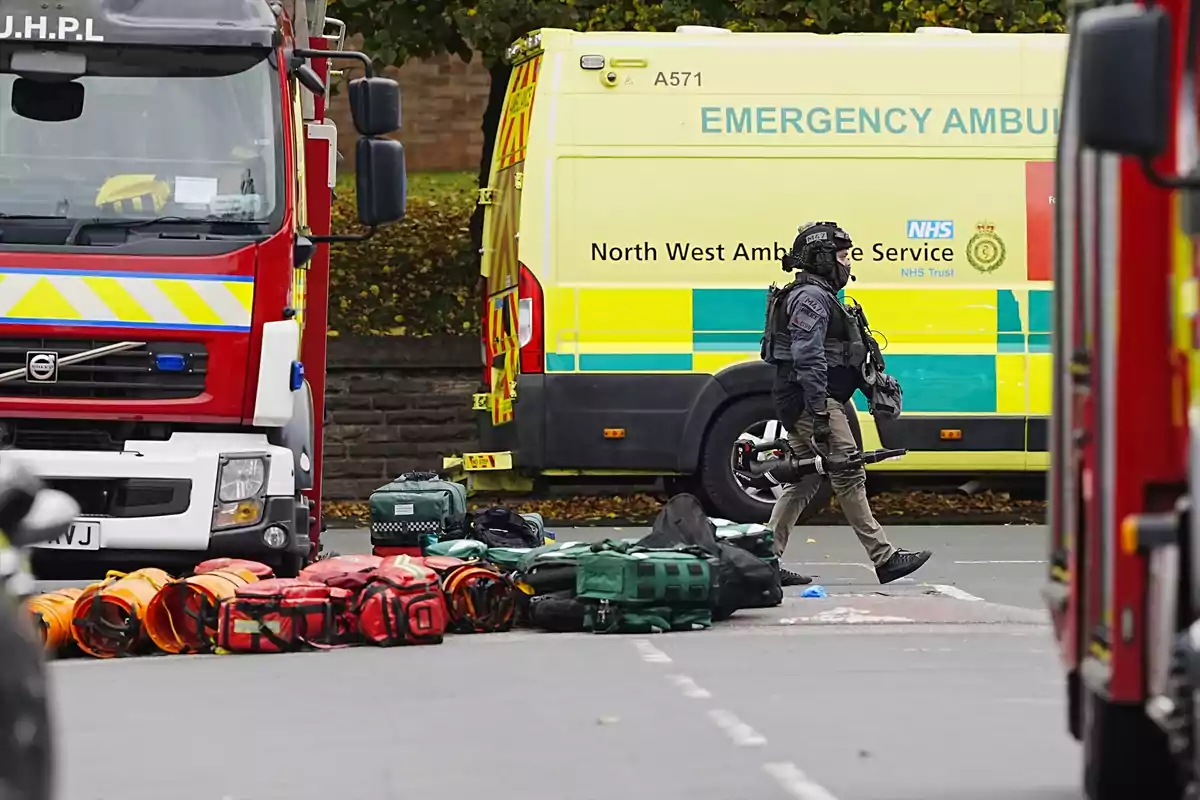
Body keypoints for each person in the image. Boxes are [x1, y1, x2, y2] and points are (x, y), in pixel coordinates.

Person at [762, 221, 932, 587]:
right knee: (849, 472)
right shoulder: (811, 298)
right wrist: (820, 412)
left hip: (805, 399)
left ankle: (765, 560)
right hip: (812, 401)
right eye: (842, 256)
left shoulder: (820, 294)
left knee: (804, 481)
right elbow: (807, 356)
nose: (848, 263)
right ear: (822, 258)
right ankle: (884, 558)